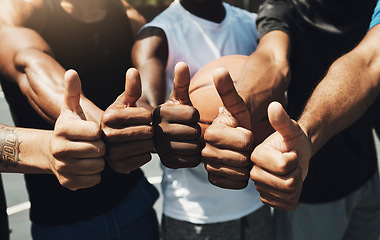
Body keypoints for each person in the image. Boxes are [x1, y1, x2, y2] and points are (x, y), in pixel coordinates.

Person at [201, 0, 380, 239]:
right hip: (303, 180)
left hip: (366, 173)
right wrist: (241, 106)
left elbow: (372, 61)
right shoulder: (283, 5)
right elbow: (272, 59)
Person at [0, 0, 159, 239]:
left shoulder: (127, 15)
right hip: (62, 218)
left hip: (133, 201)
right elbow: (28, 61)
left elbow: (146, 82)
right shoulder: (21, 8)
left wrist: (142, 118)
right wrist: (98, 124)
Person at [132, 0, 273, 239]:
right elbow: (147, 103)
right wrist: (158, 122)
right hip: (194, 212)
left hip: (256, 201)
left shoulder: (251, 23)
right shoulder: (158, 34)